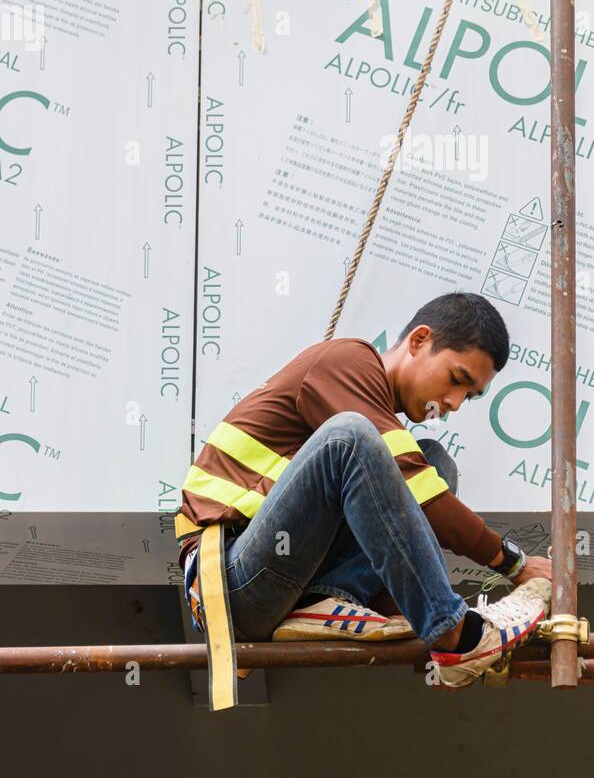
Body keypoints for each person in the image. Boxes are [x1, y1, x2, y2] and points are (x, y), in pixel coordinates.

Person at [178, 291, 551, 689]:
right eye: (457, 379)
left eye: (470, 396)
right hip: (233, 581)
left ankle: (333, 603)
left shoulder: (377, 418)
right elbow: (418, 489)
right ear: (419, 340)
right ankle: (457, 635)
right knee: (355, 438)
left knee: (434, 460)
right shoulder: (345, 362)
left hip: (288, 577)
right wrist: (513, 564)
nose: (455, 403)